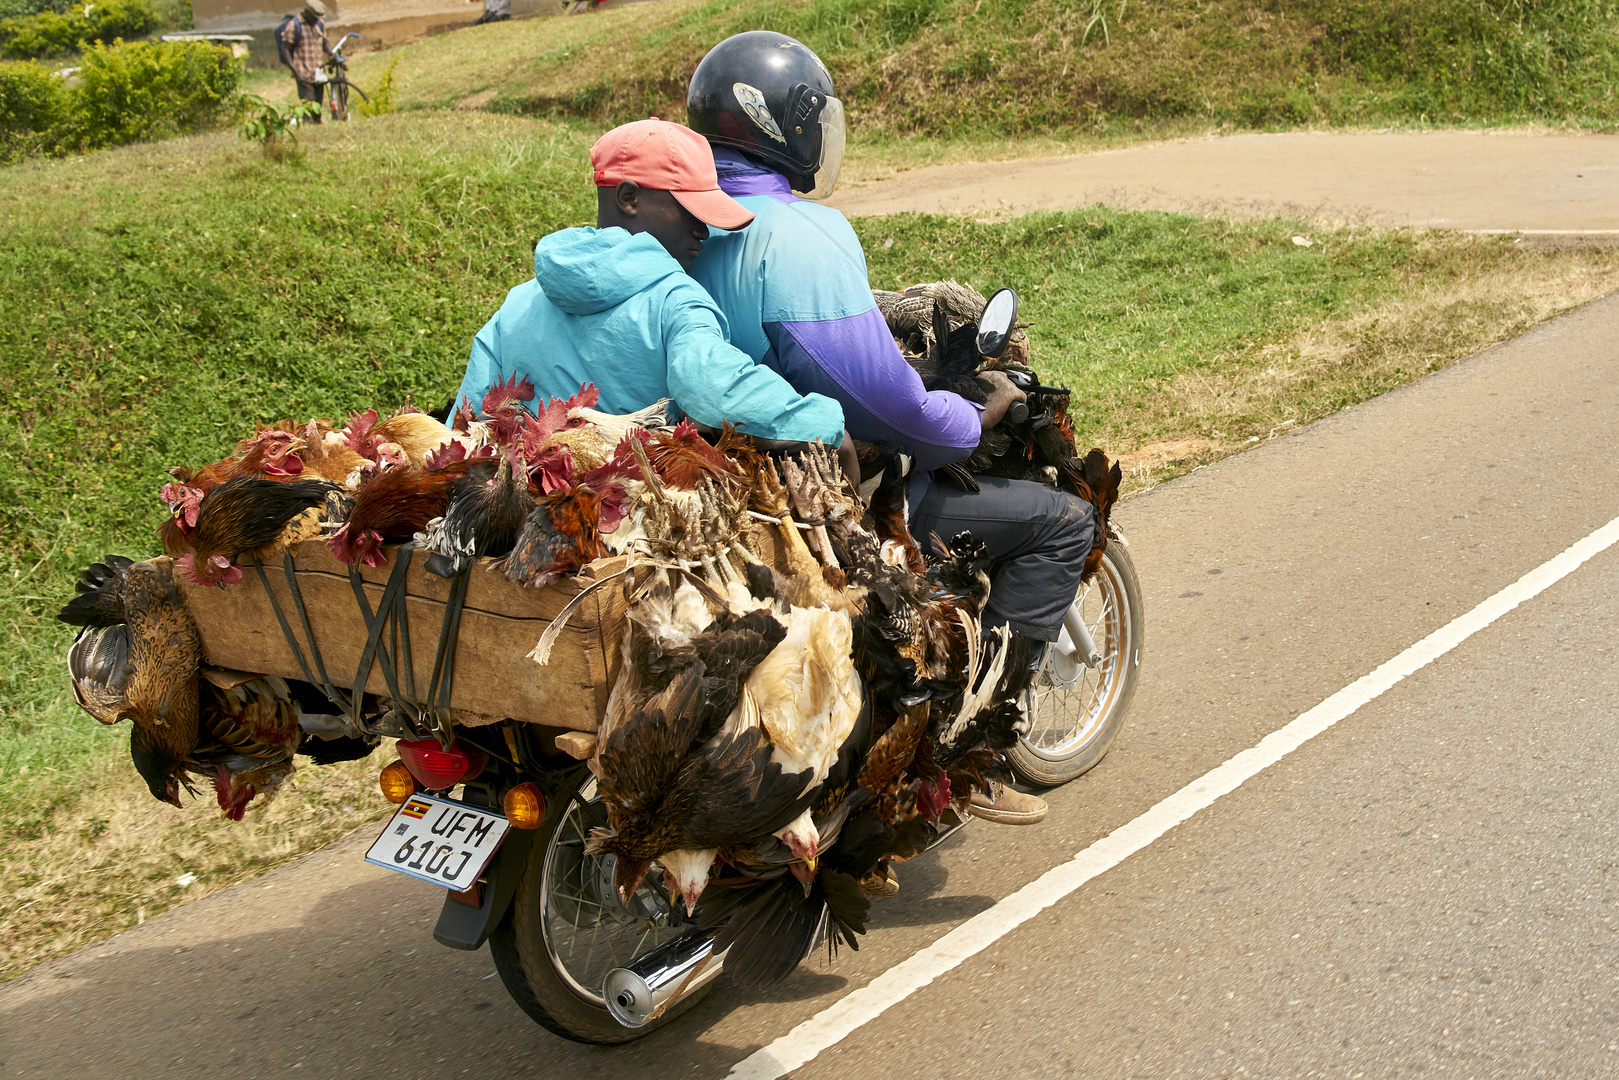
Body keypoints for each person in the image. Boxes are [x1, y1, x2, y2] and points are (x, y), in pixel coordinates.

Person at [687, 31, 1098, 827]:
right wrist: (963, 419)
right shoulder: (796, 234)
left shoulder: (668, 218)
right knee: (1062, 522)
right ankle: (974, 743)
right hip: (807, 493)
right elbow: (881, 402)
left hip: (699, 477)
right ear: (786, 124)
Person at [454, 118, 848, 456]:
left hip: (540, 512)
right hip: (636, 517)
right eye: (690, 210)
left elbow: (467, 421)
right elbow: (713, 389)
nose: (702, 230)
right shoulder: (675, 300)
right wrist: (828, 427)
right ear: (629, 198)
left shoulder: (517, 305)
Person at [278, 1, 334, 123]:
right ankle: (307, 126)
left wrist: (330, 52)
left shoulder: (319, 24)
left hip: (318, 73)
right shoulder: (294, 25)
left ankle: (317, 126)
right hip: (303, 73)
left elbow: (325, 42)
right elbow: (285, 49)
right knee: (309, 106)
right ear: (307, 13)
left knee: (317, 108)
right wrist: (296, 72)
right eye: (314, 17)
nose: (316, 20)